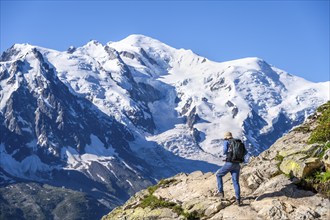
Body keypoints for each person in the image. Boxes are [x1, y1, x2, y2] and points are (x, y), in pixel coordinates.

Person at [215, 131, 242, 206]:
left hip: (229, 163)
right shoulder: (238, 142)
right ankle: (238, 200)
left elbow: (224, 151)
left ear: (226, 137)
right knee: (235, 181)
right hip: (237, 164)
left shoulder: (226, 142)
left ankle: (220, 192)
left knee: (218, 175)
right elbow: (245, 152)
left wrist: (228, 156)